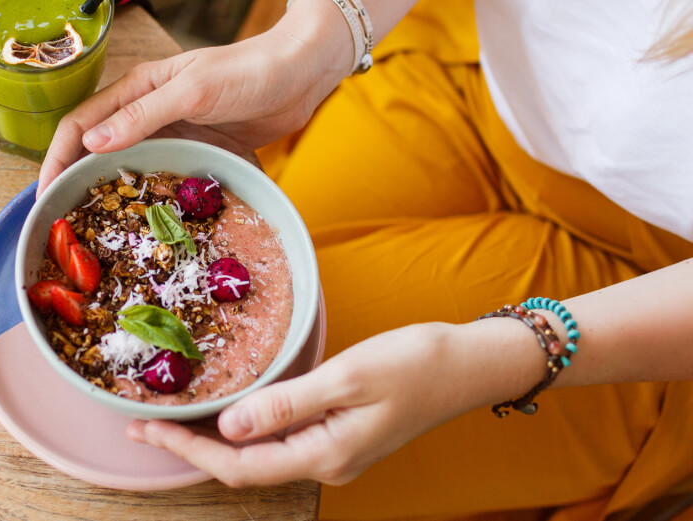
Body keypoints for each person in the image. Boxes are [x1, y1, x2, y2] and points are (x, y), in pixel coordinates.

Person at [39, 0, 693, 519]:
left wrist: (505, 355)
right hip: (469, 69)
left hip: (646, 300)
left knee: (213, 485)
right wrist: (318, 41)